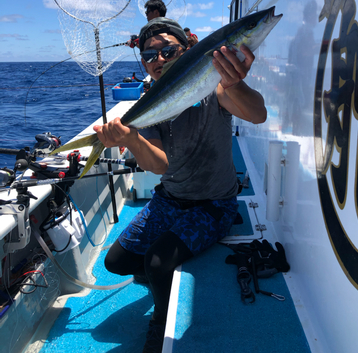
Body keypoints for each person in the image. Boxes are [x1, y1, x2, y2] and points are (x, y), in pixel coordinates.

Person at [93, 18, 267, 353]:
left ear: (186, 50)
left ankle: (159, 321)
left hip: (214, 203)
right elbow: (158, 164)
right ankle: (164, 279)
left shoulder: (214, 86)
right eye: (148, 56)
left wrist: (234, 85)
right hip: (169, 198)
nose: (157, 60)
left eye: (167, 51)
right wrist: (130, 138)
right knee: (116, 263)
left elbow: (257, 114)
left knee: (157, 261)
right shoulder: (150, 100)